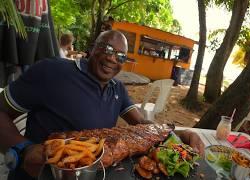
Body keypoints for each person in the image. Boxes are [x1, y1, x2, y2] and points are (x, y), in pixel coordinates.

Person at [0, 30, 204, 180]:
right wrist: (23, 149)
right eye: (106, 48)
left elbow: (142, 125)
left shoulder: (118, 88)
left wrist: (178, 135)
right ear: (92, 49)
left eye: (120, 56)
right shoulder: (52, 72)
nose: (111, 58)